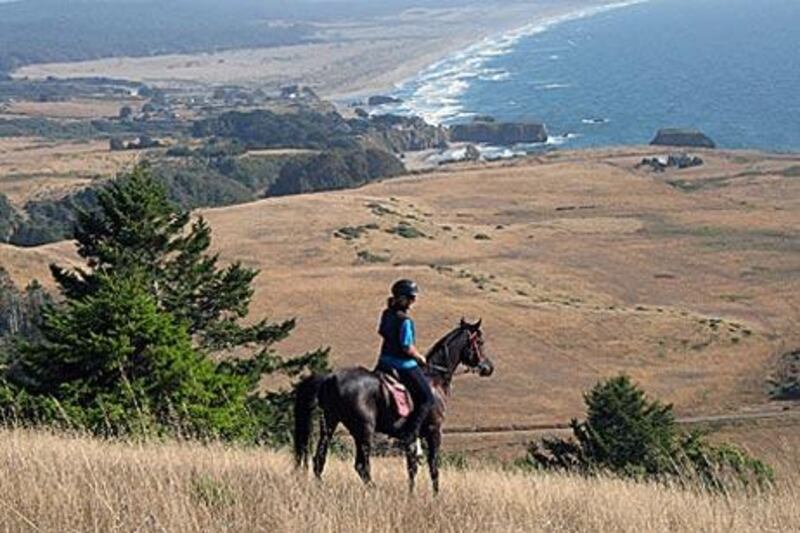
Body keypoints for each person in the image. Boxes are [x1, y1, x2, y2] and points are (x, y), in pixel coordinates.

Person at [376, 279, 435, 446]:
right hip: (403, 366)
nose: (413, 302)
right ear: (403, 299)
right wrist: (420, 358)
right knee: (426, 398)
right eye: (411, 298)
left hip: (384, 363)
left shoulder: (386, 314)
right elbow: (407, 347)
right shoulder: (405, 321)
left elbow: (382, 332)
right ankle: (409, 435)